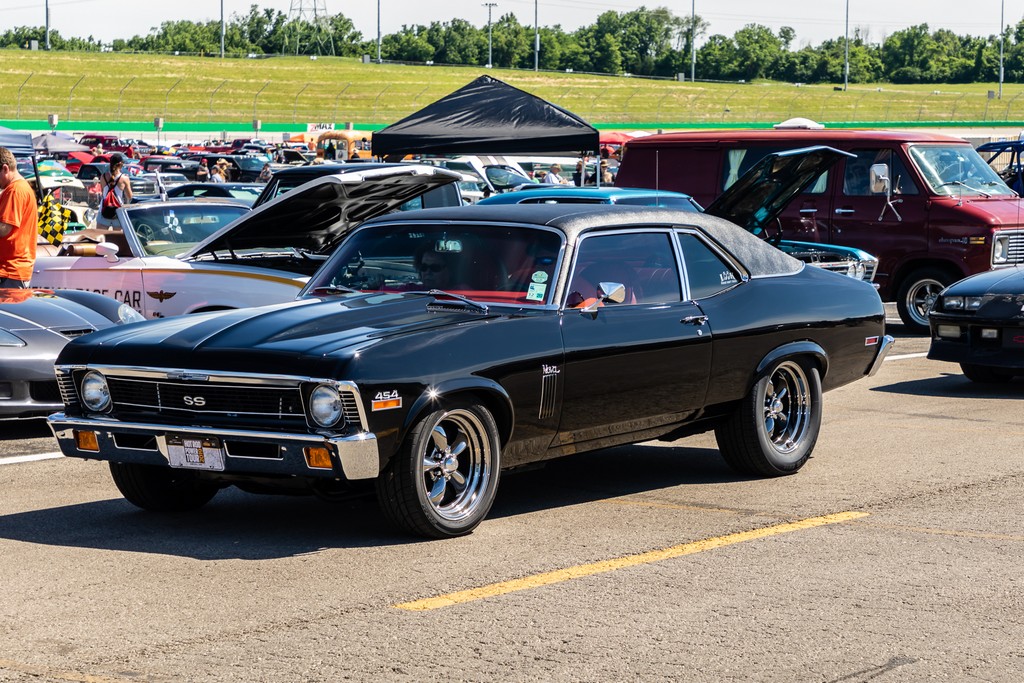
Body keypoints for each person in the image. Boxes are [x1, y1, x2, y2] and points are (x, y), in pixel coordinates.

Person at [0, 147, 38, 288]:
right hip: (13, 270)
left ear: (5, 168)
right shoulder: (20, 188)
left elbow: (4, 228)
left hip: (10, 270)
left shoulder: (15, 190)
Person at [96, 152, 132, 230]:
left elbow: (103, 192)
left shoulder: (103, 176)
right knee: (117, 236)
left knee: (99, 235)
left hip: (104, 210)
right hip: (118, 211)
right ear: (120, 164)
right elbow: (130, 196)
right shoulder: (124, 178)